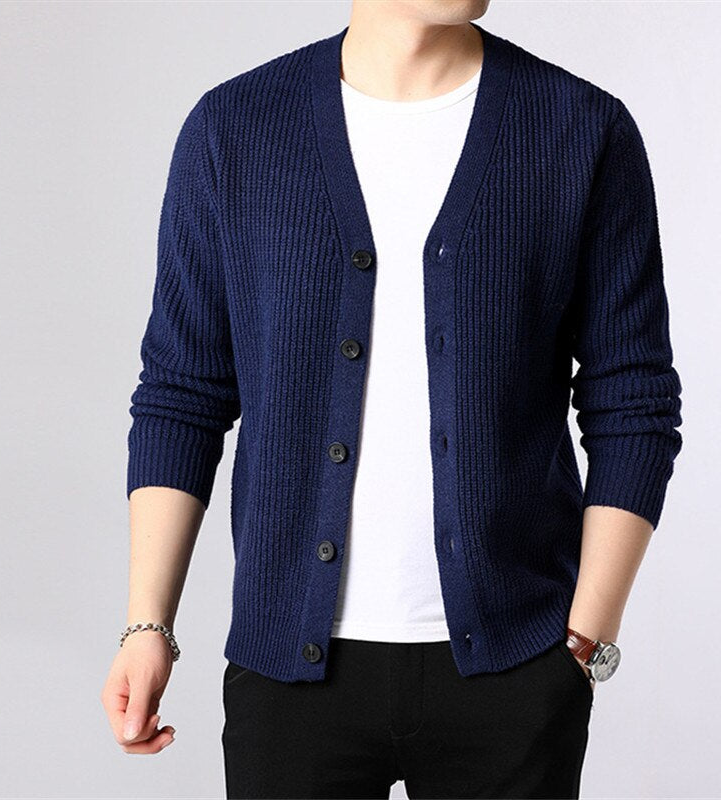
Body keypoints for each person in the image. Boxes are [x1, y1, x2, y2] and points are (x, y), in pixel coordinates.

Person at [101, 1, 684, 798]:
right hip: (291, 679)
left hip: (515, 669)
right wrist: (147, 625)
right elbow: (182, 395)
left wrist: (584, 642)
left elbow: (634, 400)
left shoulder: (580, 130)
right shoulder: (233, 131)